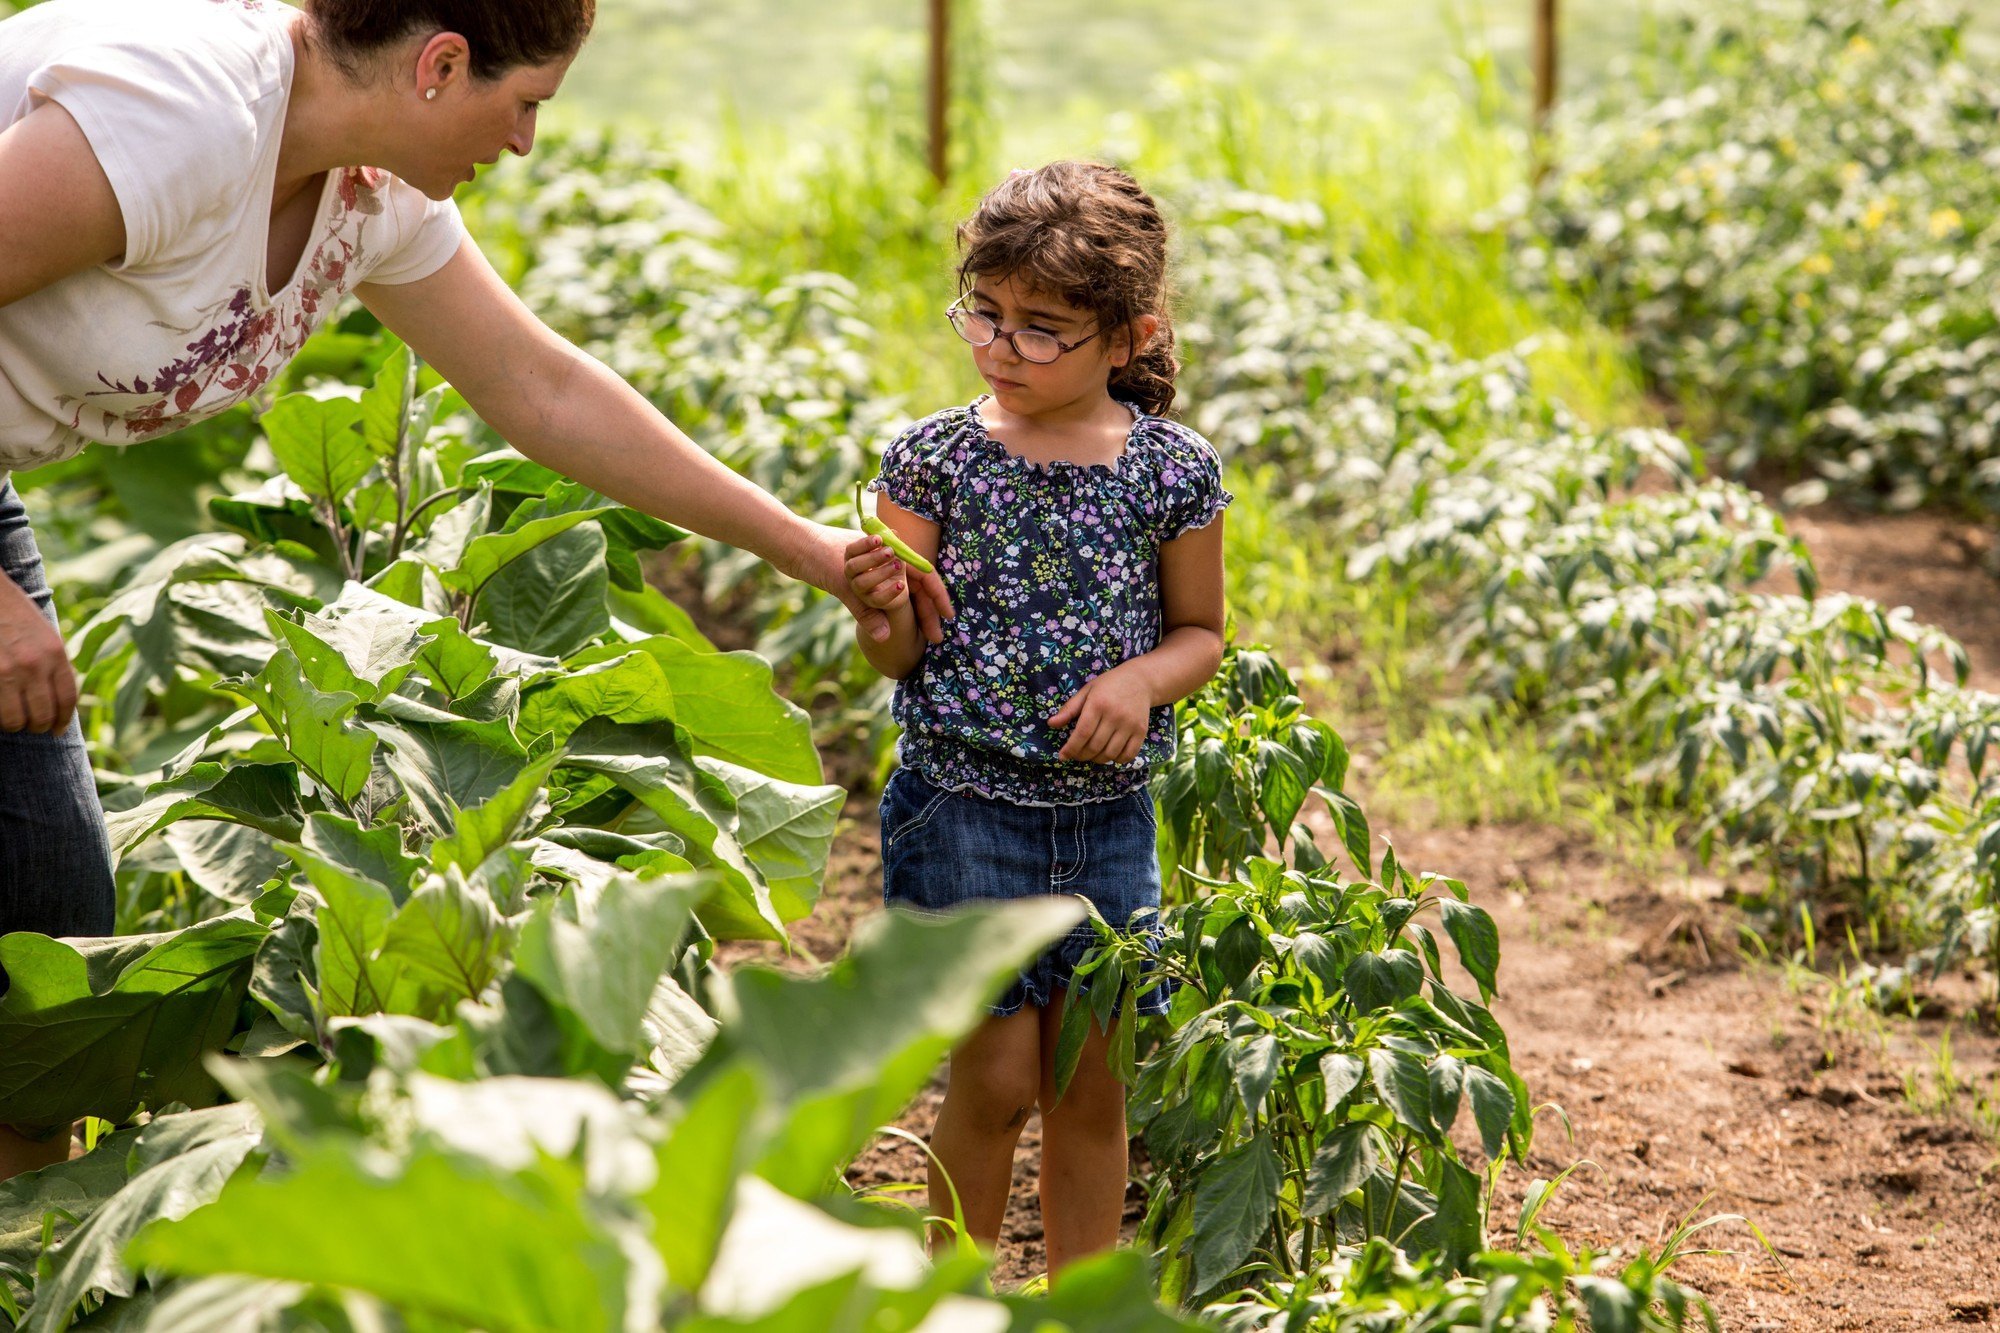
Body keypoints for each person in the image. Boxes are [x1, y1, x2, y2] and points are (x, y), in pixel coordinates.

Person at [0, 0, 951, 1180]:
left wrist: (806, 548)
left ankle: (23, 1248)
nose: (522, 146)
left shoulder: (370, 191)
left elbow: (538, 387)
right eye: (527, 104)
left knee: (42, 916)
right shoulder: (184, 114)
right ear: (440, 65)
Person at [843, 161, 1229, 1277]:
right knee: (997, 1078)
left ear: (1126, 335)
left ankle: (1074, 1300)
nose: (1000, 348)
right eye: (986, 314)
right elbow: (896, 653)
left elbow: (1200, 632)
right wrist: (876, 612)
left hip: (1107, 813)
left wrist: (1136, 683)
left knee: (1089, 1085)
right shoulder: (935, 458)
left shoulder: (1170, 471)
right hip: (962, 804)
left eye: (1041, 328)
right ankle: (950, 1292)